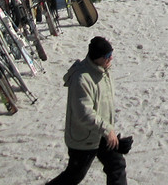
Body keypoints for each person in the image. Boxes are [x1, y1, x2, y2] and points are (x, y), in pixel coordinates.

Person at [46, 36, 127, 185]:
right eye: (108, 56)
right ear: (97, 58)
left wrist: (110, 133)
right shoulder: (81, 79)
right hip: (84, 138)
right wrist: (107, 129)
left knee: (116, 165)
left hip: (101, 133)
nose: (111, 59)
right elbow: (84, 114)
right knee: (74, 175)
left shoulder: (103, 71)